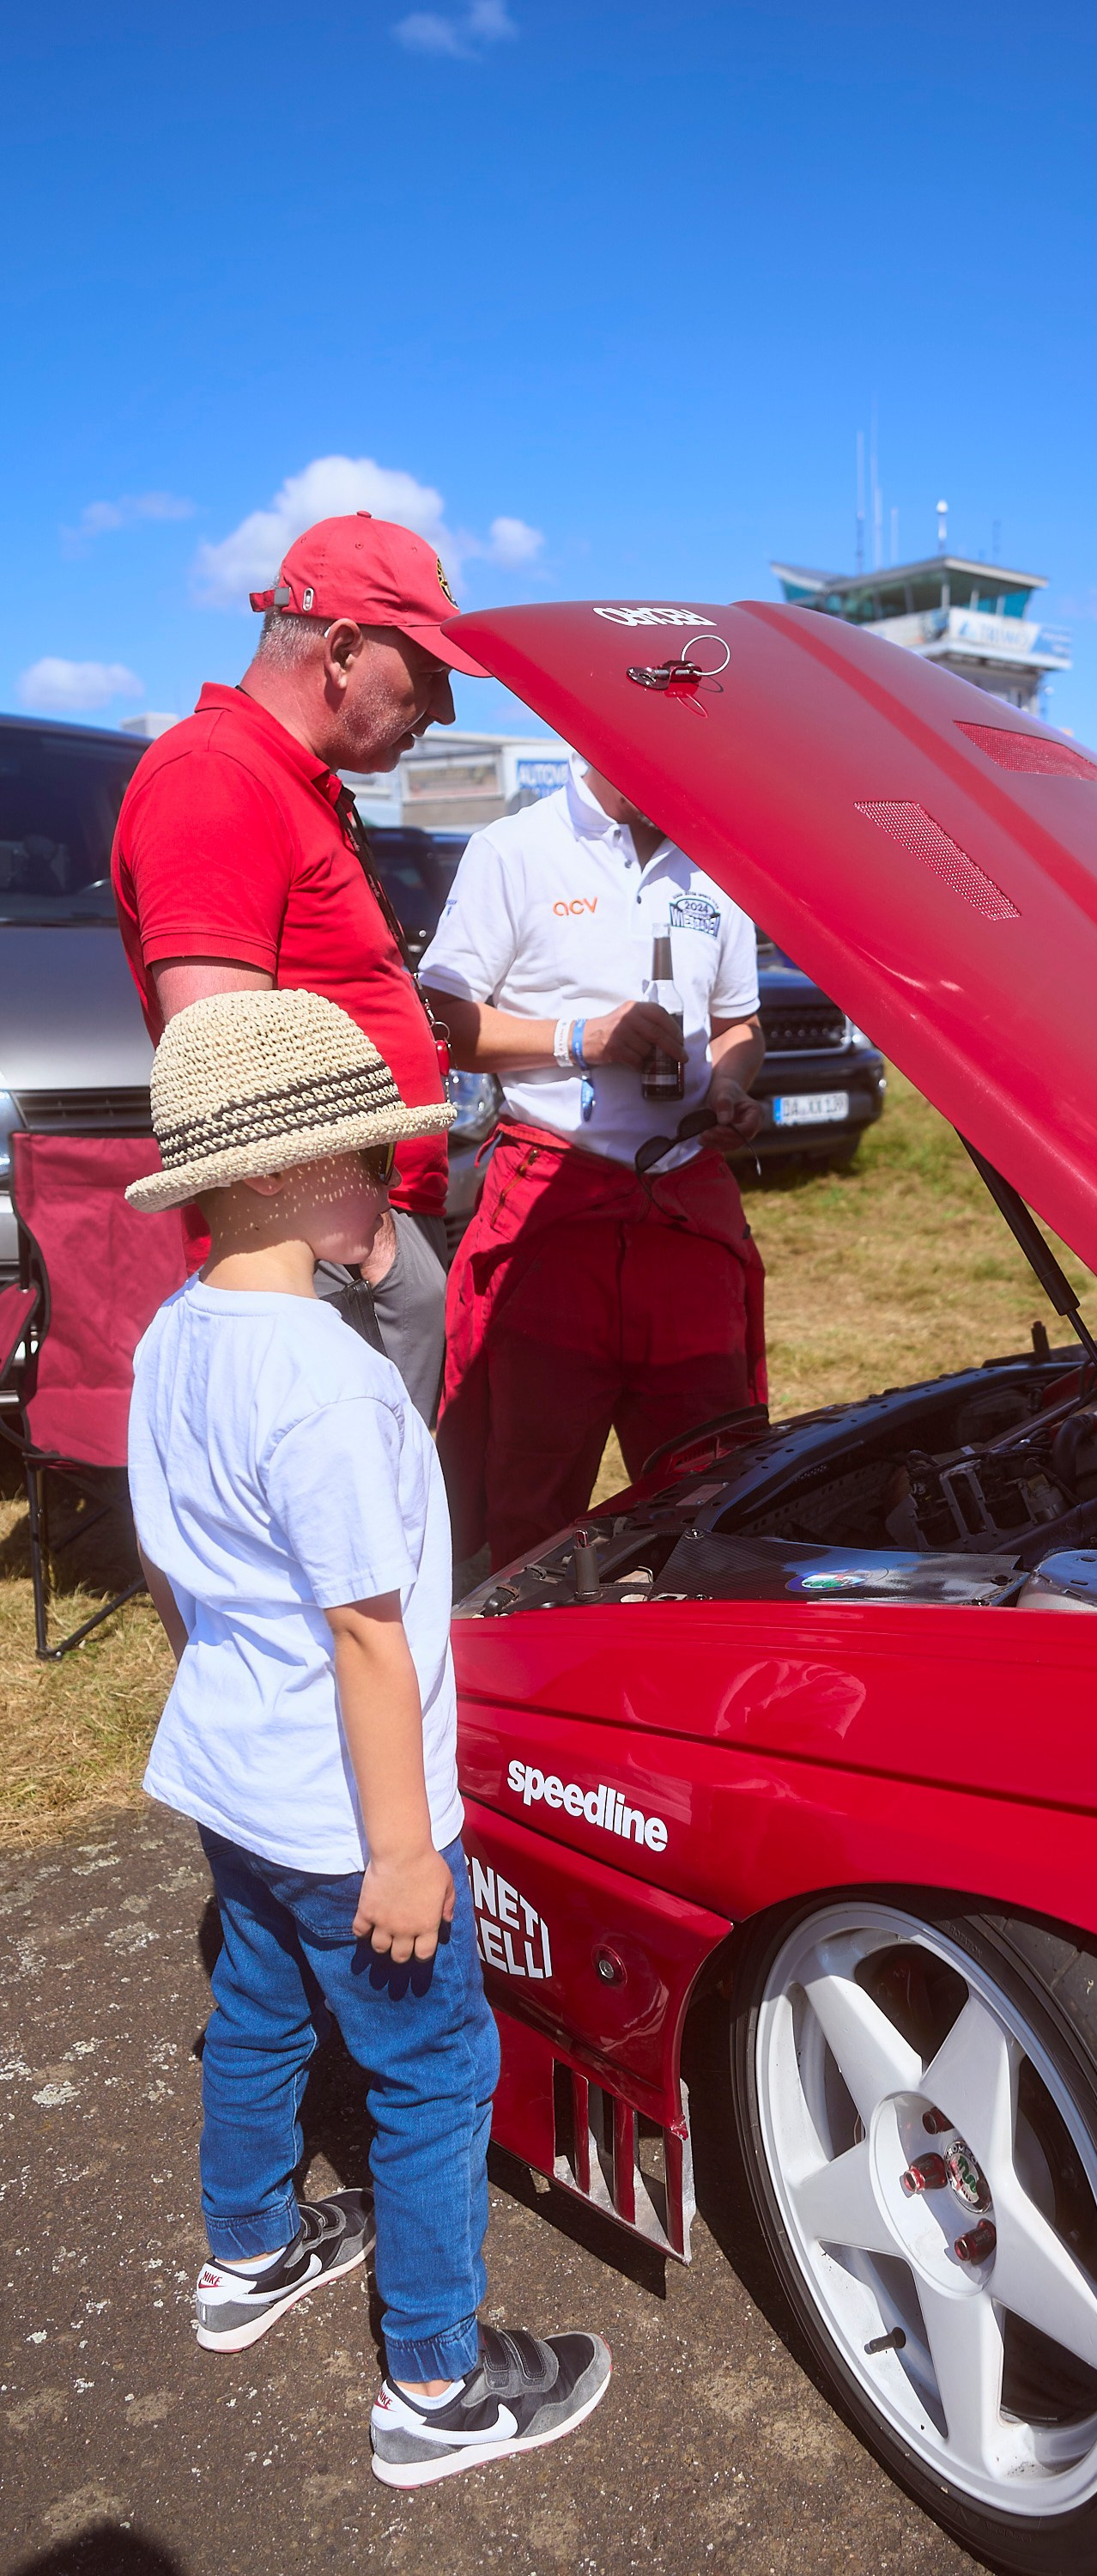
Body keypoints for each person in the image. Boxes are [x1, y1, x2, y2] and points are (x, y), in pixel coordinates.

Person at [125, 986, 610, 2488]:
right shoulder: (327, 1386)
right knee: (434, 2071)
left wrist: (221, 1689)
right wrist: (405, 1855)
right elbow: (368, 1632)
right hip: (349, 1820)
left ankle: (252, 2254)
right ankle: (436, 2388)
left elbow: (168, 1567)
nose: (388, 1181)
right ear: (280, 1176)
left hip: (234, 1776)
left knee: (262, 2008)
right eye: (361, 1158)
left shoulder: (173, 1334)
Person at [112, 511, 483, 1424]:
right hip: (327, 1247)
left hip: (346, 1235)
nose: (443, 711)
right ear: (345, 648)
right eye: (430, 673)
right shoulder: (217, 777)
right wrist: (374, 1248)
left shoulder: (283, 780)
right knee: (352, 1542)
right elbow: (228, 1065)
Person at [420, 760, 767, 1568]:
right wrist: (581, 1038)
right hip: (552, 1206)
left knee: (713, 1483)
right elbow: (442, 1020)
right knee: (528, 1494)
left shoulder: (719, 860)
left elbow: (740, 1024)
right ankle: (521, 1667)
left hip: (684, 1207)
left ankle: (690, 1661)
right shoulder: (516, 848)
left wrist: (729, 1089)